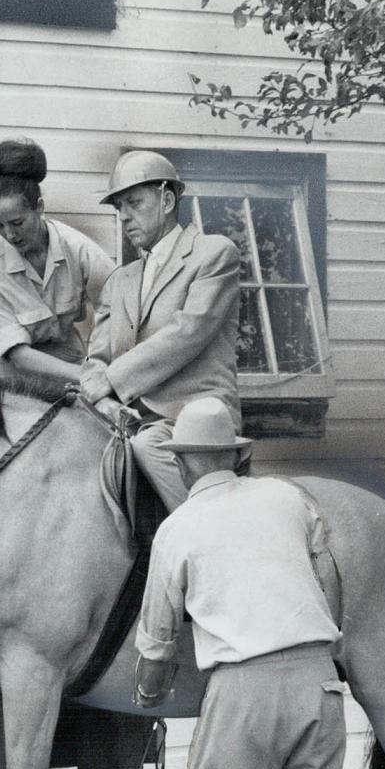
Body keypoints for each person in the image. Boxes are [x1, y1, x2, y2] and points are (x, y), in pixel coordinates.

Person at [132, 397, 344, 769]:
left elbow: (158, 638)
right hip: (318, 678)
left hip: (243, 685)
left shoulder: (178, 530)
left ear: (183, 465)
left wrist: (148, 694)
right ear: (235, 455)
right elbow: (327, 578)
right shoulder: (287, 498)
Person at [79, 150, 241, 510]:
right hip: (125, 421)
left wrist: (113, 380)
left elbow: (187, 333)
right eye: (119, 207)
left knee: (148, 446)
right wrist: (103, 400)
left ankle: (209, 536)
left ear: (167, 200)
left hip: (195, 422)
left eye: (134, 203)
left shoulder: (213, 254)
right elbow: (97, 359)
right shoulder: (120, 281)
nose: (124, 216)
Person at [0, 138, 116, 382]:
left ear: (39, 207)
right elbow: (17, 355)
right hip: (4, 376)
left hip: (65, 363)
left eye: (17, 223)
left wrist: (100, 362)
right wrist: (84, 375)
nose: (9, 235)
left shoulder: (77, 249)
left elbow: (119, 305)